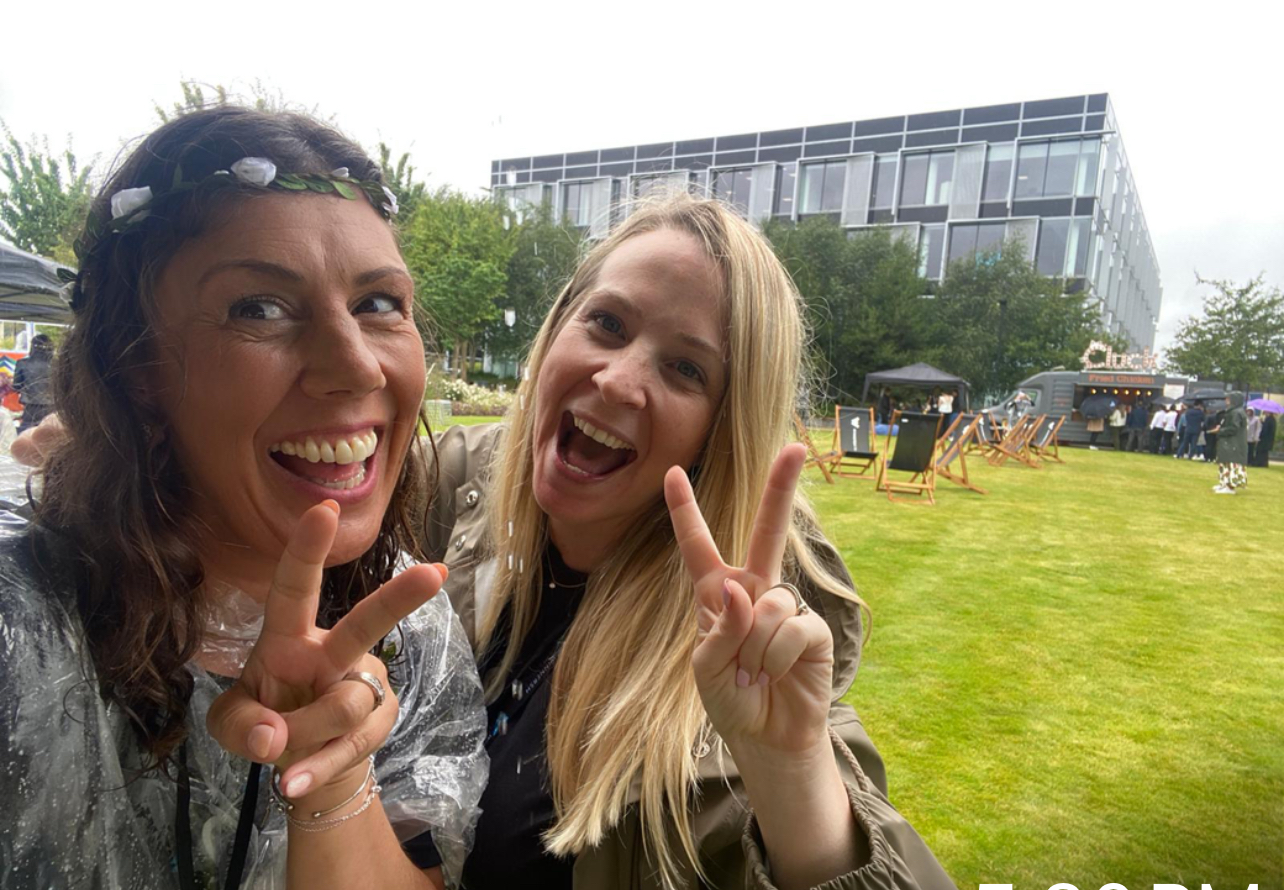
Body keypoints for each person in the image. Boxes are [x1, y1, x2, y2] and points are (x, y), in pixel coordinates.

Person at [15, 193, 955, 887]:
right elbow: (334, 450)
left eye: (683, 367)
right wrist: (137, 437)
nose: (620, 381)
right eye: (608, 324)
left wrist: (791, 772)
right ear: (554, 337)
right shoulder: (470, 493)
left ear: (723, 428)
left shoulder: (734, 639)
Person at [0, 108, 487, 888]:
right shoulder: (18, 625)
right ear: (138, 370)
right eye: (258, 307)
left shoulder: (408, 632)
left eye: (378, 303)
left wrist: (328, 773)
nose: (357, 368)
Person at [12, 333, 55, 432]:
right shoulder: (58, 364)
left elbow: (16, 386)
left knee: (27, 433)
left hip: (30, 405)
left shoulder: (23, 363)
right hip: (52, 405)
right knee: (51, 433)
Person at [1209, 393, 1249, 494]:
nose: (1226, 400)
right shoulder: (1233, 412)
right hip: (1229, 443)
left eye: (1228, 398)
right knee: (1225, 463)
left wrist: (1220, 431)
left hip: (1233, 443)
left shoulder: (1236, 412)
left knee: (1232, 464)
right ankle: (1224, 483)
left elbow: (1234, 428)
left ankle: (1230, 487)